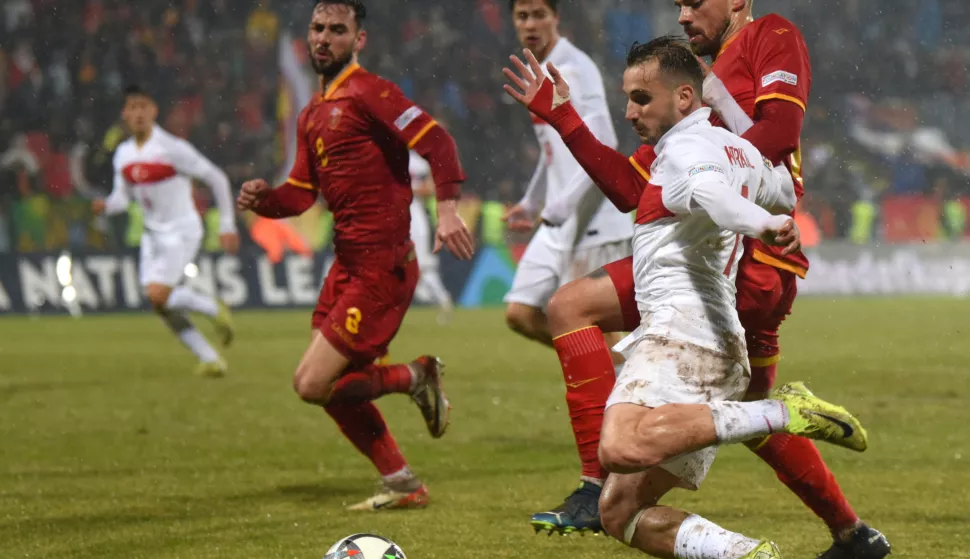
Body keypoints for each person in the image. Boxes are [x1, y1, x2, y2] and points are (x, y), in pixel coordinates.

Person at [533, 3, 892, 556]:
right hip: (733, 238)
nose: (682, 14)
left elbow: (778, 135)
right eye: (676, 4)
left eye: (694, 1)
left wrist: (729, 168)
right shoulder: (686, 115)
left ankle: (592, 484)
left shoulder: (767, 37)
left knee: (574, 310)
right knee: (739, 402)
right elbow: (632, 189)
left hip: (742, 255)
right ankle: (851, 532)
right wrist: (567, 122)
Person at [235, 0, 475, 511]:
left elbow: (439, 143)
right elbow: (301, 193)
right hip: (345, 267)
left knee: (311, 383)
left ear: (358, 40)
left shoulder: (372, 92)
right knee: (329, 386)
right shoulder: (311, 114)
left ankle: (414, 377)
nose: (324, 38)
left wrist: (449, 208)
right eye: (318, 28)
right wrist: (266, 201)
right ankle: (403, 483)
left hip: (382, 269)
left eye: (338, 30)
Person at [500, 0, 635, 531]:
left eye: (538, 15)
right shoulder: (538, 70)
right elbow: (551, 151)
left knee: (588, 320)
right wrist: (535, 202)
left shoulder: (573, 68)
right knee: (519, 311)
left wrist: (558, 206)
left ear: (556, 18)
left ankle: (622, 411)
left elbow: (601, 145)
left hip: (591, 223)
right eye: (521, 16)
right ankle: (615, 379)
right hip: (556, 222)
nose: (529, 25)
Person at [92, 85, 237, 378]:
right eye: (132, 108)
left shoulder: (172, 148)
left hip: (182, 230)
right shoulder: (123, 154)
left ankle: (211, 306)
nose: (138, 114)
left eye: (144, 106)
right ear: (125, 114)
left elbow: (217, 178)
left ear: (154, 111)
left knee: (159, 295)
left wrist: (226, 224)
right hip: (152, 236)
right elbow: (123, 196)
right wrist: (107, 205)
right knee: (160, 304)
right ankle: (210, 359)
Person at [408, 151, 455, 324]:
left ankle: (442, 299)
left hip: (414, 217)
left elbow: (429, 189)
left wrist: (405, 188)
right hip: (393, 216)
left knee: (419, 264)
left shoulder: (419, 162)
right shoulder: (388, 156)